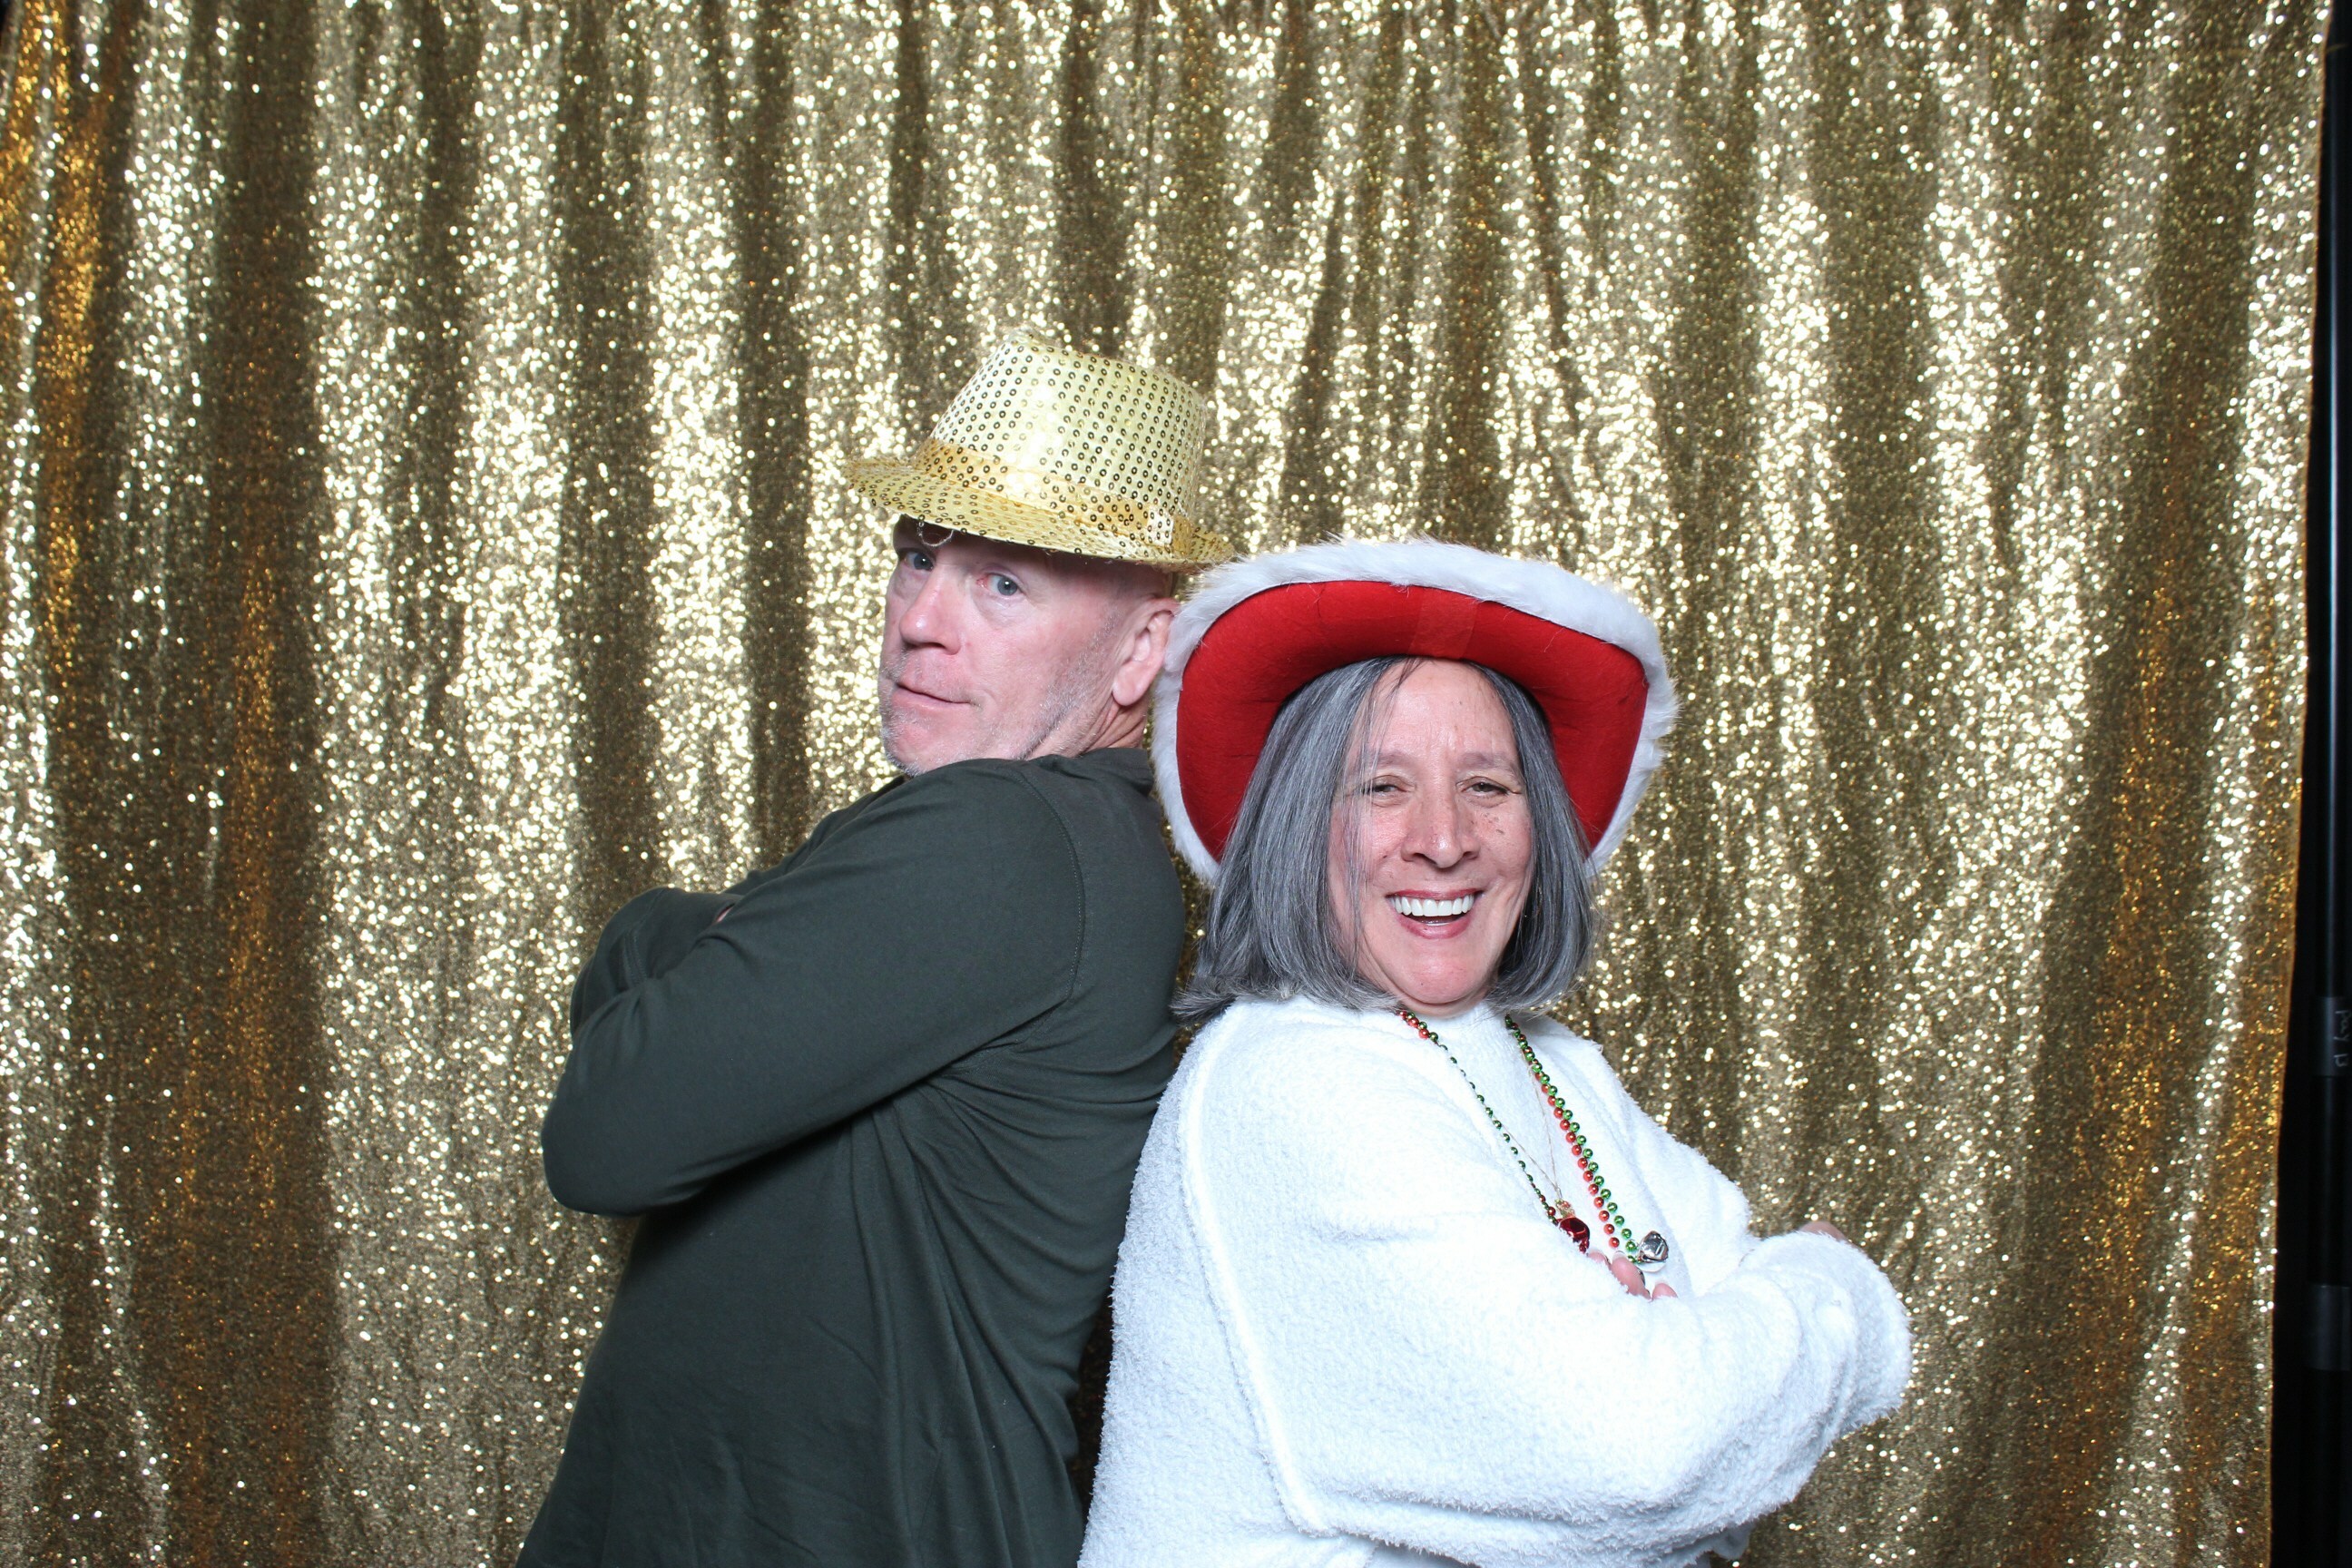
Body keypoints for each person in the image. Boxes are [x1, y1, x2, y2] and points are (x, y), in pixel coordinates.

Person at [519, 329, 1232, 1568]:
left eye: (1004, 584)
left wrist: (660, 928)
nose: (922, 621)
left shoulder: (1003, 836)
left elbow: (602, 1135)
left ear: (1140, 652)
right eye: (919, 556)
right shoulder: (1063, 841)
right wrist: (720, 934)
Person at [1084, 540, 1911, 1567]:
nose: (1443, 840)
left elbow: (1695, 1457)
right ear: (1299, 826)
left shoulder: (1553, 1064)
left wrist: (1687, 1390)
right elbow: (1645, 1453)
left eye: (1488, 785)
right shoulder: (1293, 1081)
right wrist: (1833, 1288)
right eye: (1380, 787)